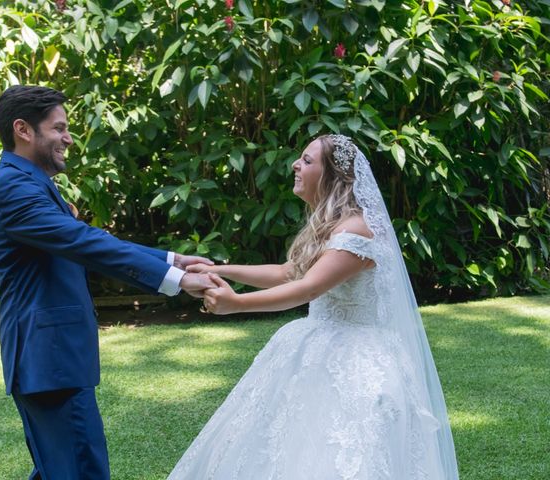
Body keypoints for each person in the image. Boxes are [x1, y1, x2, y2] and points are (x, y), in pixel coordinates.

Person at [168, 134, 459, 479]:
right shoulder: (331, 225)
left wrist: (236, 303)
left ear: (334, 176)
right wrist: (217, 269)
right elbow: (287, 272)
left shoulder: (358, 232)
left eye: (307, 160)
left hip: (354, 358)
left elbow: (307, 288)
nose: (295, 164)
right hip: (317, 345)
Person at [0, 85, 215, 480]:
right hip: (48, 359)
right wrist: (175, 279)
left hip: (52, 359)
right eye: (58, 128)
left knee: (61, 468)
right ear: (23, 129)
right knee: (79, 470)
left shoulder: (29, 182)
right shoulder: (14, 188)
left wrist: (171, 259)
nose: (68, 138)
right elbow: (83, 242)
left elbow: (86, 238)